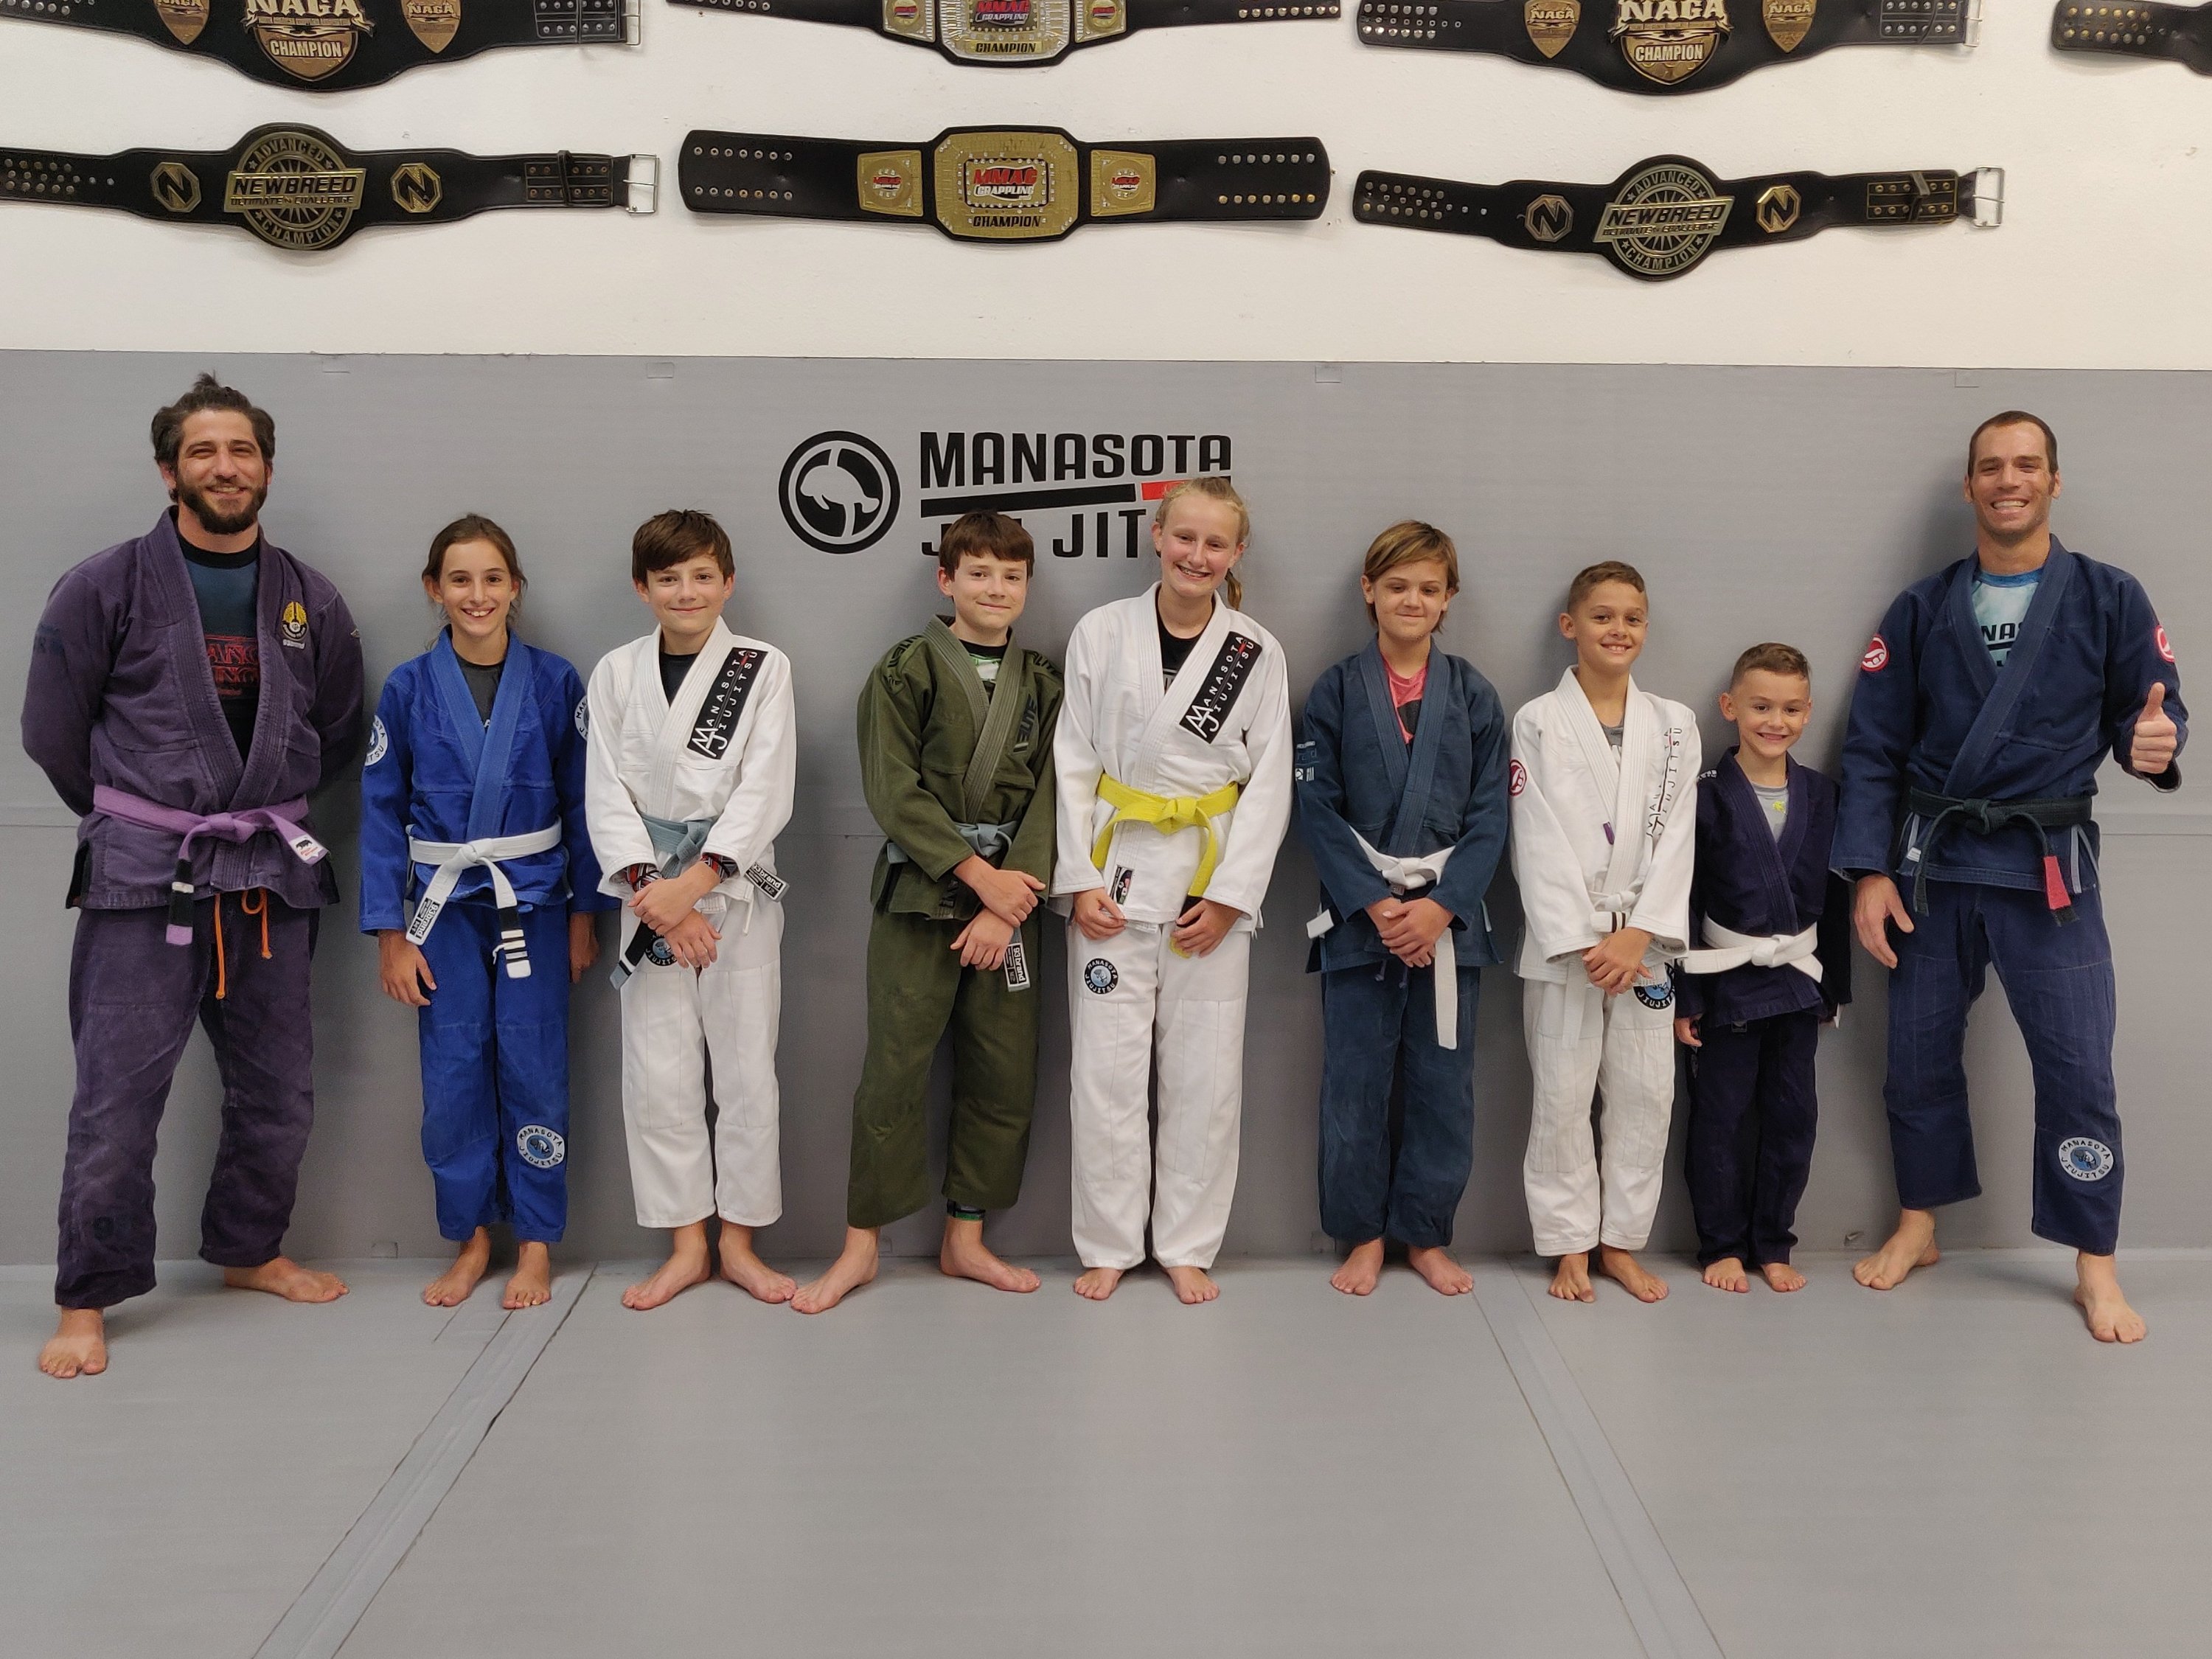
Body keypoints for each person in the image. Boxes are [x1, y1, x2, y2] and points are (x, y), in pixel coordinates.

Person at [21, 374, 364, 1380]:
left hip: (267, 876)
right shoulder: (104, 586)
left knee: (279, 1091)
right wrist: (143, 814)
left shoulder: (308, 597)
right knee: (115, 1101)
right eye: (204, 451)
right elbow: (52, 731)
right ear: (169, 470)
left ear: (267, 468)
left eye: (242, 450)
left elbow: (337, 728)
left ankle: (250, 1249)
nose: (226, 466)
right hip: (145, 877)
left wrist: (252, 806)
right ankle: (85, 1296)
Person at [1837, 411, 2184, 1343]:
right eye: (1991, 467)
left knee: (2079, 1066)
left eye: (2027, 464)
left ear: (2054, 482)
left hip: (2048, 871)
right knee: (1914, 1055)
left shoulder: (2109, 596)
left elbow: (2150, 715)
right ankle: (1920, 1221)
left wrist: (2152, 743)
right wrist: (1868, 871)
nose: (2009, 480)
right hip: (1935, 867)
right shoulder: (1920, 608)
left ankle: (2095, 1261)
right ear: (1970, 486)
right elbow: (1873, 747)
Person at [793, 512, 1063, 1314]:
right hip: (920, 895)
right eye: (978, 573)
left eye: (1011, 576)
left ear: (1027, 586)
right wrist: (978, 877)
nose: (995, 589)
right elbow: (892, 789)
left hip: (1014, 900)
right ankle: (860, 1246)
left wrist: (1008, 902)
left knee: (1002, 1071)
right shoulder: (904, 670)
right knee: (894, 1071)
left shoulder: (1045, 682)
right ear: (947, 580)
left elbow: (1058, 794)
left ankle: (966, 1238)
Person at [360, 515, 613, 1311]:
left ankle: (535, 1242)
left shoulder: (556, 682)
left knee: (536, 1067)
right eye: (460, 580)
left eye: (493, 579)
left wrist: (583, 917)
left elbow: (585, 807)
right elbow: (379, 813)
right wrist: (389, 934)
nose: (478, 595)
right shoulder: (407, 688)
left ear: (515, 588)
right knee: (453, 1075)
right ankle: (471, 1239)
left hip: (536, 903)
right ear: (434, 589)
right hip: (442, 913)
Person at [1051, 476, 1293, 1304]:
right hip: (1113, 876)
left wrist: (1231, 896)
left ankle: (1187, 1244)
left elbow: (1269, 783)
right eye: (1184, 537)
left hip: (1207, 882)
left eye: (1215, 543)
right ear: (1157, 536)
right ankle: (1110, 1243)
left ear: (1237, 553)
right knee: (1106, 1074)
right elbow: (1073, 761)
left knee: (1205, 1076)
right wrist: (1077, 879)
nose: (1197, 555)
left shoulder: (1254, 650)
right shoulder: (1101, 632)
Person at [585, 509, 798, 1311]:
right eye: (668, 578)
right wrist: (663, 900)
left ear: (728, 582)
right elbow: (604, 793)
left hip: (735, 892)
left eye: (702, 576)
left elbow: (766, 788)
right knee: (657, 1074)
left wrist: (697, 883)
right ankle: (685, 1246)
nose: (686, 592)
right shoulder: (616, 673)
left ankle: (738, 1243)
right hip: (647, 895)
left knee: (746, 1072)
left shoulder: (761, 666)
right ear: (642, 588)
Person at [1296, 522, 1509, 1297]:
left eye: (1427, 588)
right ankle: (1362, 1235)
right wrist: (1376, 903)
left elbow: (1492, 815)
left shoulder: (1475, 695)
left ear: (1449, 598)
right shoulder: (1334, 691)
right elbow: (1316, 807)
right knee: (1354, 1085)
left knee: (1442, 1088)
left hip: (1449, 925)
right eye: (1396, 586)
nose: (1411, 600)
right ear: (1370, 591)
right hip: (1362, 923)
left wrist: (1443, 906)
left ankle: (1424, 1236)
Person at [1509, 561, 1699, 1305]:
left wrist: (1641, 930)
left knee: (1648, 1095)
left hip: (1645, 945)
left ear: (1646, 628)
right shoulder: (1537, 720)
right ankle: (1568, 1246)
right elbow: (1534, 837)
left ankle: (1619, 1242)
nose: (1618, 630)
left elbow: (1681, 835)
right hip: (1570, 946)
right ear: (1571, 626)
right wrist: (1584, 938)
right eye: (1602, 616)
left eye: (1632, 618)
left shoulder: (1675, 724)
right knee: (1561, 1096)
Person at [1673, 644, 1851, 1295]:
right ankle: (1721, 1245)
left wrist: (1835, 987)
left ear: (1809, 712)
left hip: (1799, 981)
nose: (1776, 721)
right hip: (1726, 982)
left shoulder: (1823, 795)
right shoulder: (1704, 798)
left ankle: (1774, 1242)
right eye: (1761, 707)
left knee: (1793, 1117)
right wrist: (1687, 997)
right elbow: (1683, 901)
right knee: (1719, 1118)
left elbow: (1837, 899)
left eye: (1791, 709)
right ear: (1730, 708)